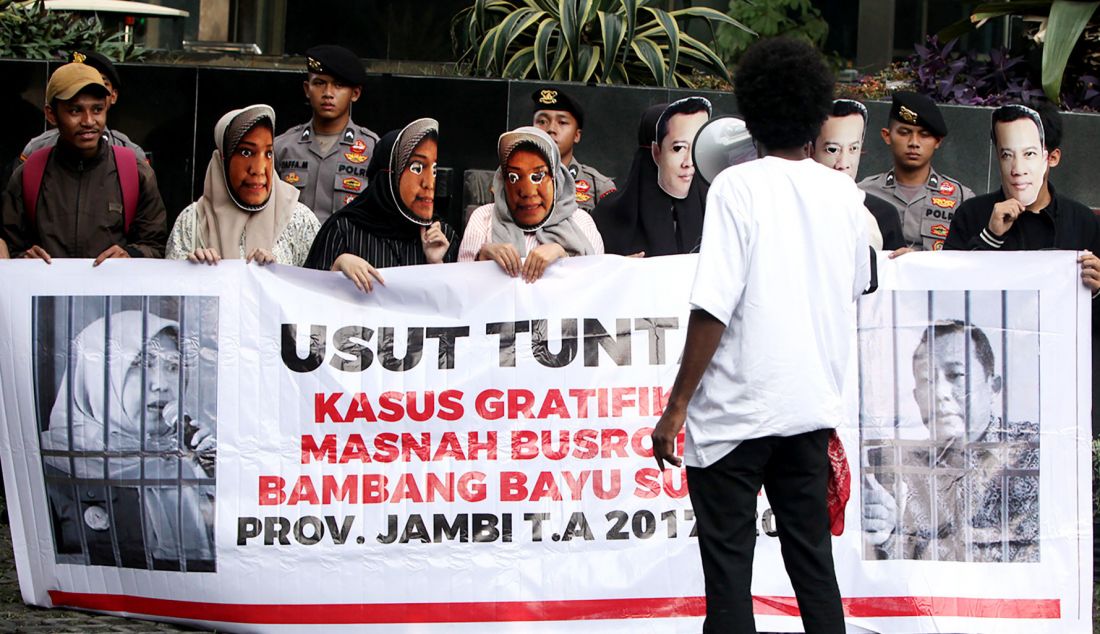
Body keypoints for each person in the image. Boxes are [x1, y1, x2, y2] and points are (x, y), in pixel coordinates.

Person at [651, 38, 871, 633]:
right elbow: (860, 283)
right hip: (807, 411)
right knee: (813, 571)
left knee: (729, 581)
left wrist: (675, 409)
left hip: (733, 416)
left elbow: (713, 307)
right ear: (814, 115)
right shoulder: (844, 195)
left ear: (749, 116)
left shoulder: (735, 187)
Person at [40, 311, 215, 570]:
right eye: (140, 364)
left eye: (173, 367)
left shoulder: (190, 461)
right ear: (96, 375)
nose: (162, 384)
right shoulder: (49, 465)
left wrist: (218, 475)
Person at [862, 321, 1039, 562]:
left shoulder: (1033, 451)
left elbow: (1024, 557)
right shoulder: (895, 468)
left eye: (956, 375)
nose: (939, 392)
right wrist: (886, 533)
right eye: (926, 380)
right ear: (915, 397)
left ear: (994, 387)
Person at [0, 63, 167, 263]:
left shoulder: (135, 172)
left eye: (97, 109)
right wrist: (24, 258)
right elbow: (9, 246)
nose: (88, 121)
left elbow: (157, 247)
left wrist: (131, 254)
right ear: (51, 114)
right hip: (46, 292)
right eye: (75, 111)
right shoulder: (29, 174)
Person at [304, 118, 457, 292]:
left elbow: (457, 309)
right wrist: (337, 268)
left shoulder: (442, 238)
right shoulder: (343, 230)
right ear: (388, 176)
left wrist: (436, 264)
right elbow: (310, 303)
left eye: (434, 170)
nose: (429, 183)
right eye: (416, 168)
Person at [166, 104, 320, 266]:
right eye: (246, 152)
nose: (259, 169)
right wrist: (194, 271)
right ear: (223, 160)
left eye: (268, 153)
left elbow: (317, 286)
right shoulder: (192, 221)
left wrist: (278, 276)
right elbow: (170, 287)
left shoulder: (299, 220)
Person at [458, 126, 602, 282]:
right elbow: (462, 293)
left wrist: (564, 257)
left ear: (556, 179)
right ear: (503, 183)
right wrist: (481, 258)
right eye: (514, 177)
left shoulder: (581, 222)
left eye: (538, 176)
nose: (527, 192)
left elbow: (597, 289)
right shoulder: (483, 218)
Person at [274, 45, 379, 223]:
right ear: (307, 89)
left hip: (346, 249)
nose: (328, 93)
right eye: (319, 83)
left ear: (355, 93)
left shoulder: (372, 149)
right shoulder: (282, 147)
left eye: (338, 85)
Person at [594, 97, 711, 257]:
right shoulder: (608, 217)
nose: (688, 162)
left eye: (696, 147)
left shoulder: (716, 212)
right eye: (678, 148)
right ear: (655, 153)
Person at [860, 91, 974, 251]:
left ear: (937, 141)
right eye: (904, 133)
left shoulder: (960, 198)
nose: (914, 143)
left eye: (924, 135)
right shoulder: (863, 194)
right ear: (887, 136)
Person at [20, 50, 148, 164]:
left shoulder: (131, 157)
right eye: (77, 82)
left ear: (113, 95)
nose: (88, 121)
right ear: (51, 114)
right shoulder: (37, 151)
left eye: (100, 83)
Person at [813, 99, 905, 250]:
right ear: (809, 149)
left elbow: (892, 271)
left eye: (853, 149)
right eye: (832, 150)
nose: (843, 164)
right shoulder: (790, 208)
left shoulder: (883, 214)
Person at [530, 86, 616, 212]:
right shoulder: (513, 180)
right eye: (542, 121)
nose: (551, 129)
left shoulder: (598, 186)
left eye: (562, 122)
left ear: (576, 135)